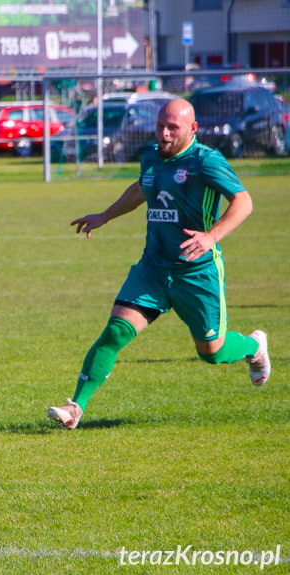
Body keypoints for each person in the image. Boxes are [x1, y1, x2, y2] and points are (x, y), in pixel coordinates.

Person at [48, 98, 271, 430]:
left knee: (212, 351)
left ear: (192, 129)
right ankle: (76, 407)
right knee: (115, 332)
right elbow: (142, 188)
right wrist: (105, 216)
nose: (164, 134)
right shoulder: (151, 156)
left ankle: (254, 346)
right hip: (153, 268)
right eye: (160, 127)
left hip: (197, 272)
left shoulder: (205, 161)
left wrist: (211, 237)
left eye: (172, 128)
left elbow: (244, 200)